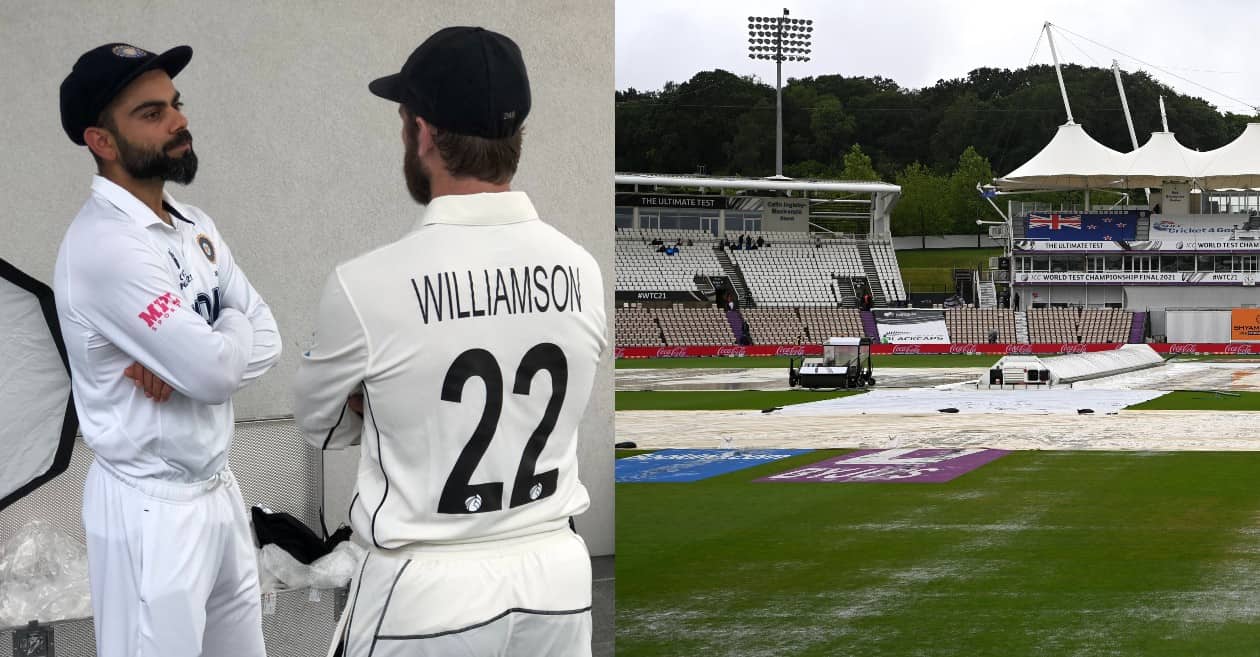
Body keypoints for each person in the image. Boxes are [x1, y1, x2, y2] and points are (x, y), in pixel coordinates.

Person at [293, 27, 607, 657]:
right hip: (558, 581)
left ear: (425, 133)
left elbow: (318, 428)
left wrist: (380, 399)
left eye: (406, 121)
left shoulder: (365, 283)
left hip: (424, 591)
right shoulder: (583, 268)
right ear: (515, 139)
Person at [53, 43, 281, 657]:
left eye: (175, 105)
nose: (179, 121)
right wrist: (207, 360)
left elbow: (269, 337)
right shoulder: (106, 247)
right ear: (101, 141)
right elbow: (213, 370)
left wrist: (192, 362)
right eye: (152, 113)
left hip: (217, 487)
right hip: (148, 506)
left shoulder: (194, 224)